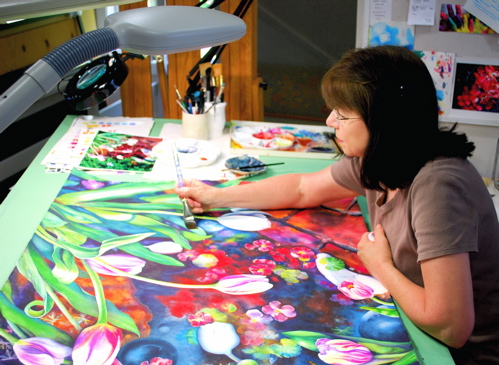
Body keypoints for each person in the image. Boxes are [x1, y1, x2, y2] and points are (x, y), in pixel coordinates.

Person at [175, 45, 499, 364]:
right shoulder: (380, 159)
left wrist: (380, 265)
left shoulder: (438, 186)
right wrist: (214, 197)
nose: (331, 121)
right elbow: (303, 188)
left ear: (384, 120)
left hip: (465, 354)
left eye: (342, 114)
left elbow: (451, 326)